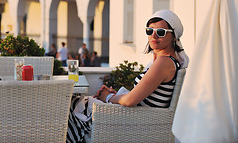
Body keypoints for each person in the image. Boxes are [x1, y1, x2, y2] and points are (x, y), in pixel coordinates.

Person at [66, 10, 190, 142]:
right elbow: (140, 97)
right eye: (149, 30)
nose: (153, 36)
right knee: (81, 104)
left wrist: (109, 97)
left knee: (73, 104)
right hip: (139, 117)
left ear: (174, 36)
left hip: (136, 122)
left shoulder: (163, 62)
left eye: (161, 32)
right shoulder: (166, 61)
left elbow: (130, 101)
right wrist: (115, 97)